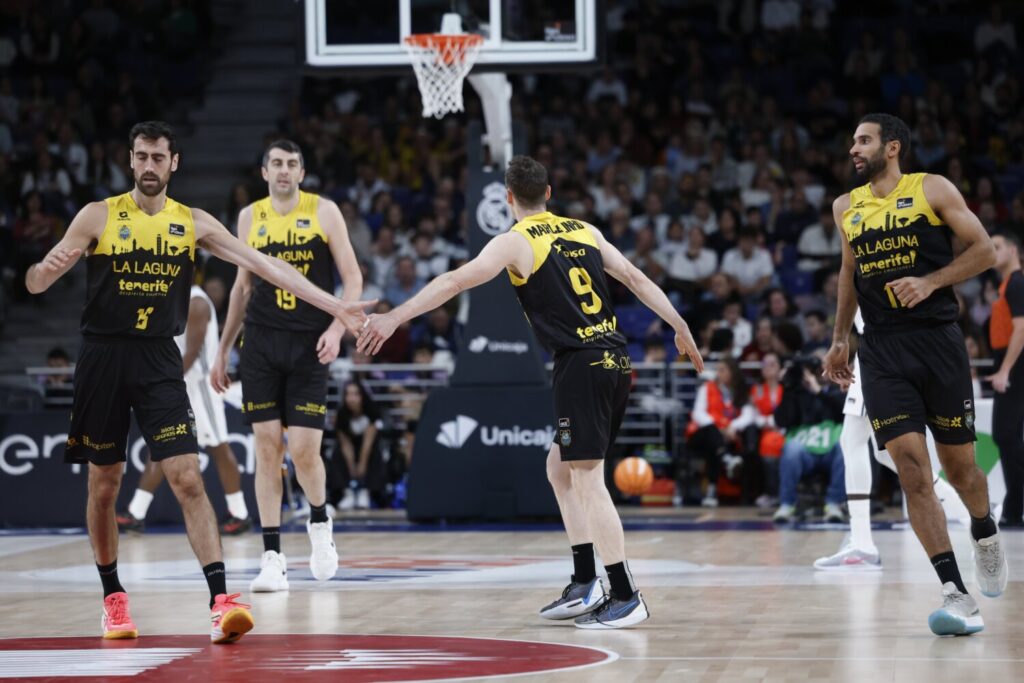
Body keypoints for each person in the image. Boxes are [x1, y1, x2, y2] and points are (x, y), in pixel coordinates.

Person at [25, 121, 370, 643]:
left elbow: (266, 267)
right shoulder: (98, 215)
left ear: (174, 163)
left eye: (158, 158)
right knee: (104, 486)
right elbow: (35, 282)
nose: (148, 166)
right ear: (130, 159)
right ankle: (113, 599)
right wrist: (43, 270)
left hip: (161, 360)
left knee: (187, 476)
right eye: (140, 156)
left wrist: (335, 305)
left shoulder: (194, 223)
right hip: (103, 358)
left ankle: (221, 601)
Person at [358, 155, 704, 629]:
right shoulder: (584, 230)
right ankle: (586, 582)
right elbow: (637, 279)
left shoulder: (514, 242)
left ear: (507, 198)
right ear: (548, 194)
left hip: (580, 363)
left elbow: (455, 280)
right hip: (617, 361)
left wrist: (394, 316)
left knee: (586, 479)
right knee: (557, 468)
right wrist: (679, 326)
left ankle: (625, 594)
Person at [822, 113, 1007, 636]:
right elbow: (849, 273)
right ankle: (955, 591)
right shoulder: (846, 206)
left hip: (938, 342)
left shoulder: (932, 188)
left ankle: (983, 528)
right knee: (909, 468)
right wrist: (841, 339)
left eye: (863, 140)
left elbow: (986, 250)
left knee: (963, 469)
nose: (853, 149)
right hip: (881, 350)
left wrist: (931, 281)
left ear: (893, 147)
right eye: (853, 140)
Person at [211, 139, 363, 594]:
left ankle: (319, 521)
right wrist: (222, 350)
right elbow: (241, 287)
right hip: (259, 343)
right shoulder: (249, 217)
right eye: (275, 163)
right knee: (265, 449)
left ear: (301, 172)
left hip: (309, 344)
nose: (282, 170)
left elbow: (352, 278)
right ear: (264, 172)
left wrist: (337, 330)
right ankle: (272, 557)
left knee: (302, 452)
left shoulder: (324, 211)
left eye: (291, 164)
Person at [117, 279, 252, 536]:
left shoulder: (196, 302)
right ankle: (135, 513)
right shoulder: (171, 299)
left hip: (200, 387)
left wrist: (163, 384)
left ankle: (240, 514)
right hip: (180, 385)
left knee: (219, 447)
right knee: (161, 447)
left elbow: (191, 354)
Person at [772, 355, 847, 524]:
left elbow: (844, 411)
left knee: (845, 447)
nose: (817, 373)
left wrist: (819, 392)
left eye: (822, 367)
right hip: (805, 449)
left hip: (831, 449)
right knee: (791, 448)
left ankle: (834, 503)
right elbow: (782, 421)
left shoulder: (838, 389)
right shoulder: (796, 393)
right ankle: (786, 504)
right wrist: (787, 388)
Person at [685, 357, 758, 507]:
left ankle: (713, 489)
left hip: (726, 437)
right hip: (701, 435)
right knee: (713, 435)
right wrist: (720, 429)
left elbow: (749, 415)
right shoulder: (706, 388)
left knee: (716, 447)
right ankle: (727, 460)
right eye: (717, 370)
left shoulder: (740, 392)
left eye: (722, 370)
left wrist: (732, 427)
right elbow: (698, 414)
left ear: (733, 372)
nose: (718, 373)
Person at [987, 232, 1024, 528]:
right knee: (1010, 437)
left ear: (1014, 250)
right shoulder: (1006, 285)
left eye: (997, 246)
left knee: (1005, 435)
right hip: (1011, 363)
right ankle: (1014, 507)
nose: (992, 251)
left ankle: (1014, 507)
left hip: (1015, 365)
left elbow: (1021, 329)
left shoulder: (1017, 283)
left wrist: (1005, 370)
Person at [332, 379, 384, 511]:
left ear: (362, 396)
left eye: (355, 394)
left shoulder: (372, 411)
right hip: (349, 446)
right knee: (337, 453)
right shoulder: (341, 414)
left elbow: (368, 442)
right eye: (348, 394)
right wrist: (352, 467)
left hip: (367, 446)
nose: (352, 398)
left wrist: (361, 465)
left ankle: (365, 492)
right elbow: (345, 444)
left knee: (375, 452)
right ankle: (347, 492)